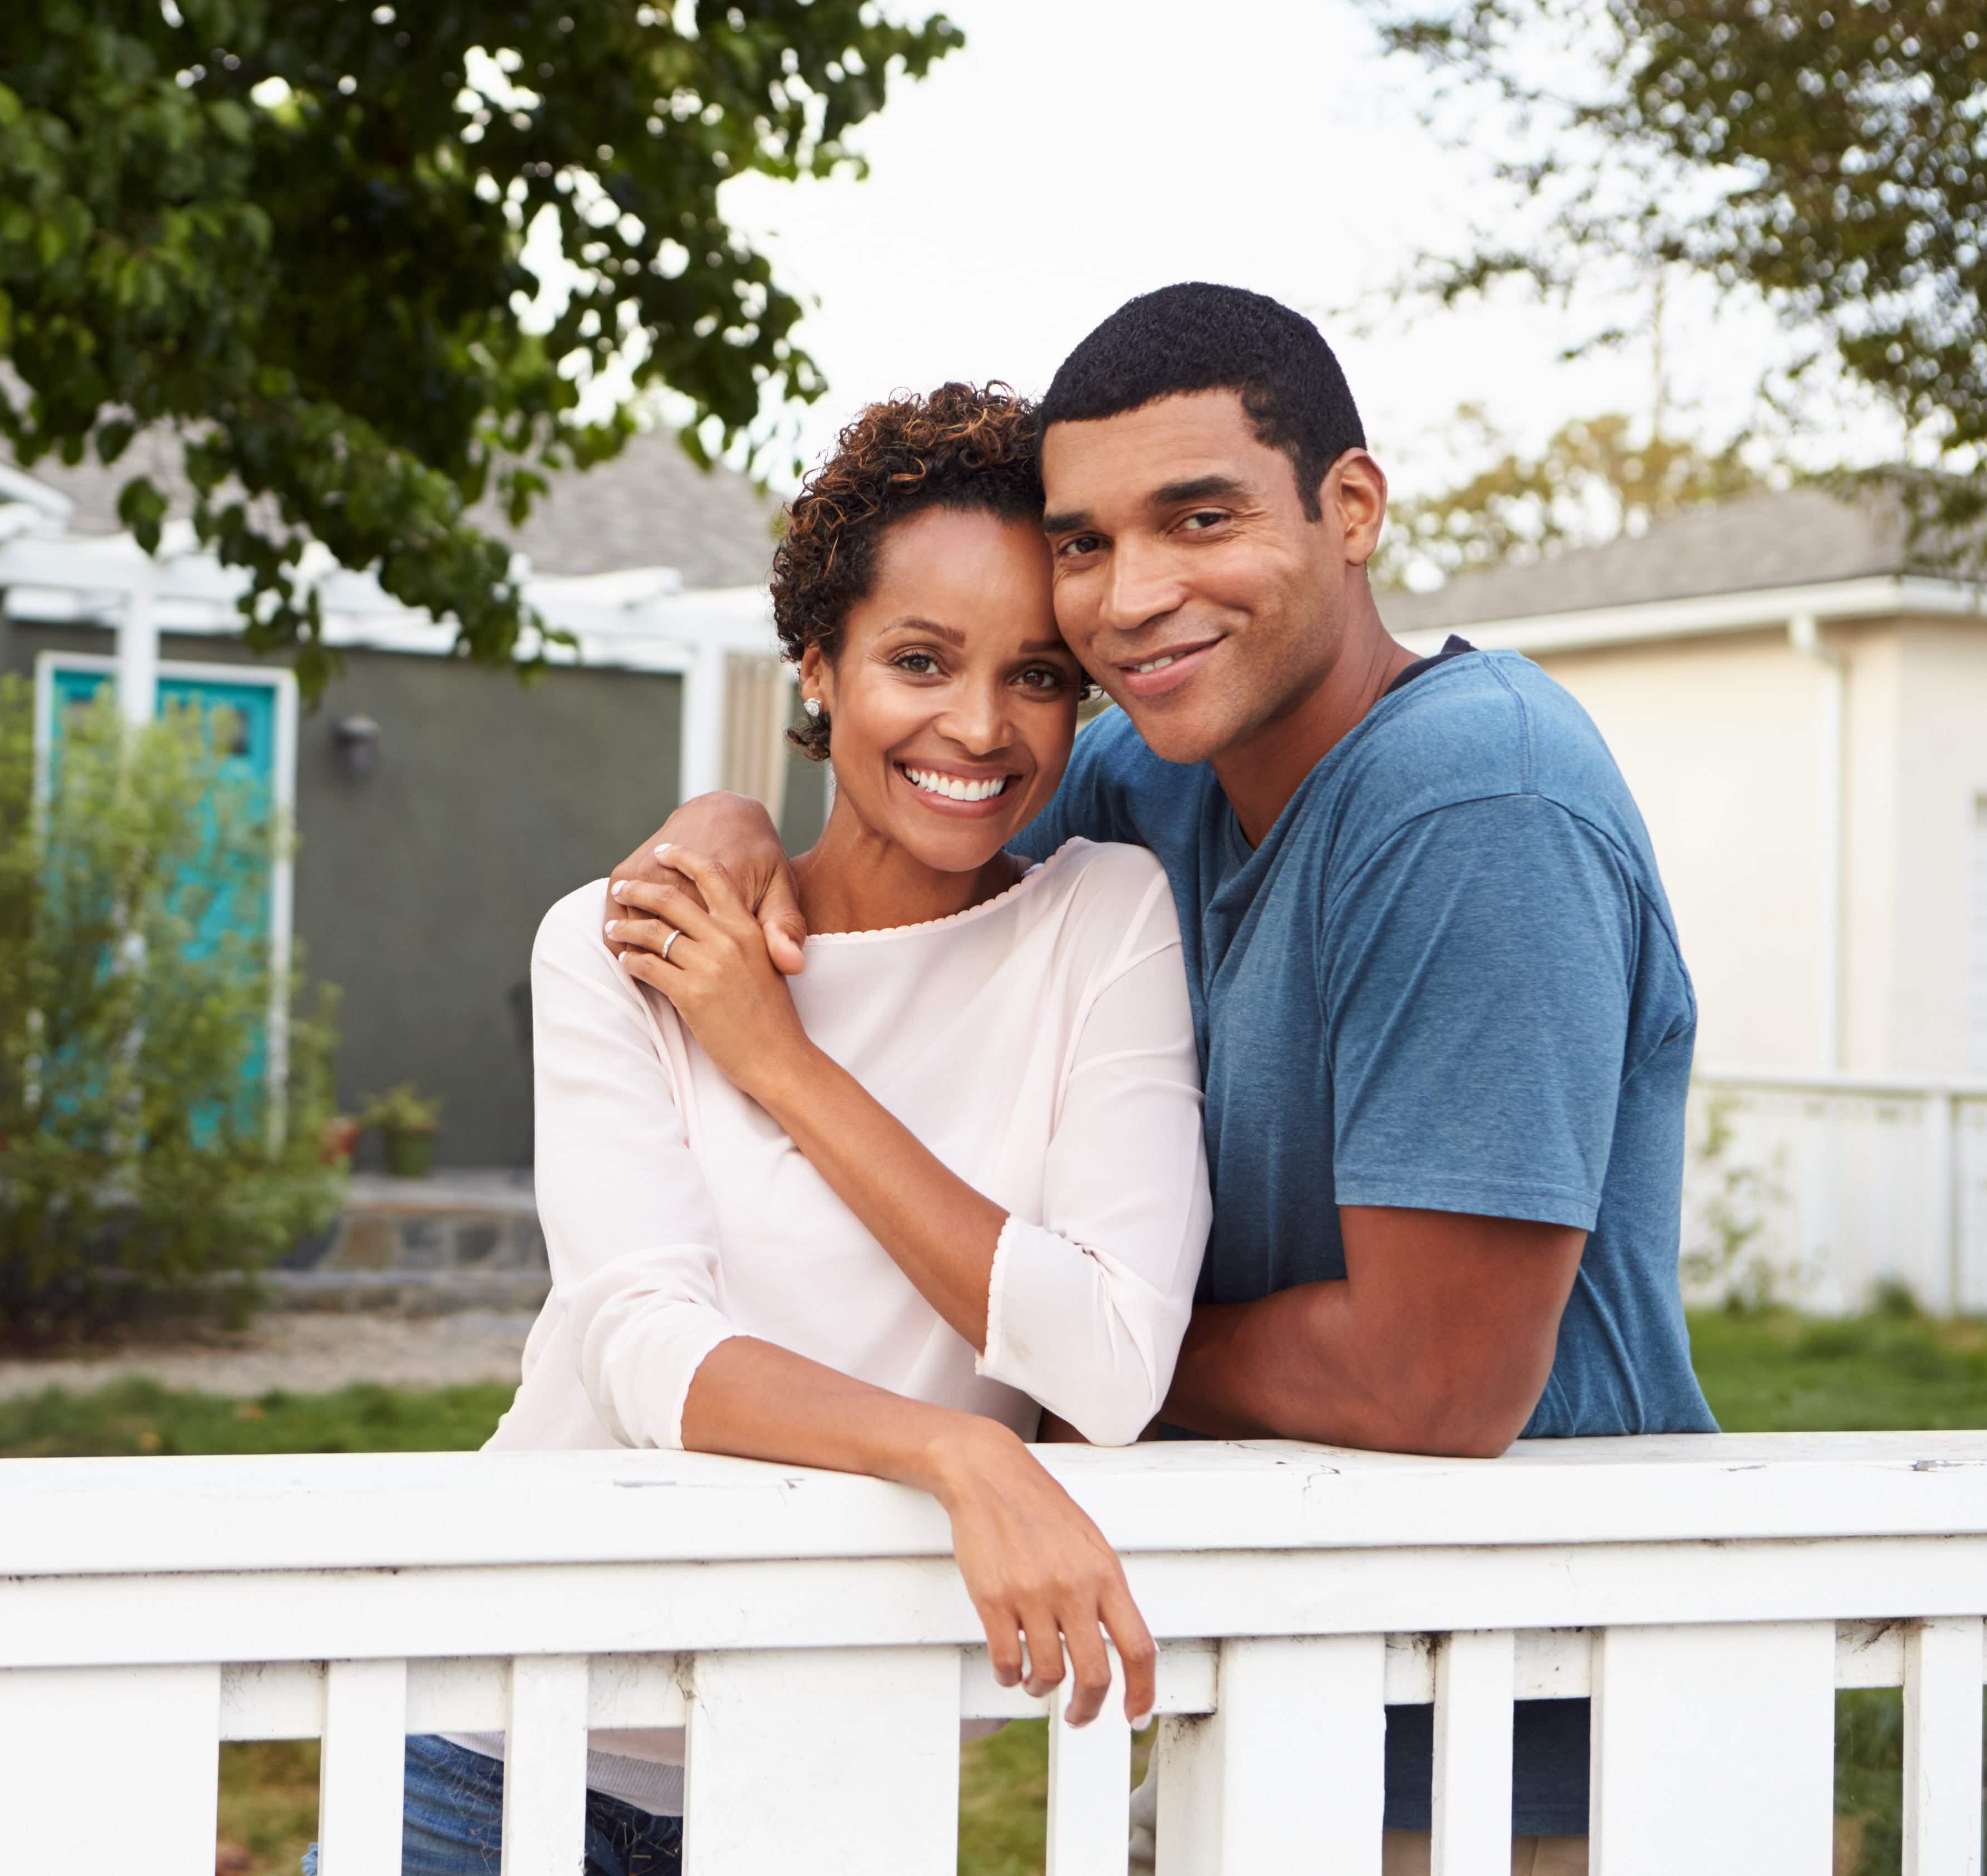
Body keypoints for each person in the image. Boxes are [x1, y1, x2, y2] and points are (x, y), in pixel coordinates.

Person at [616, 285, 1716, 1872]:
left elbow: (1437, 1385)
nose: (1133, 598)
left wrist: (1097, 1345)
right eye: (1087, 543)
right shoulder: (1154, 781)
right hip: (1265, 1647)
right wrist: (725, 831)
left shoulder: (1479, 800)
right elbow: (917, 806)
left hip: (1520, 1704)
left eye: (1200, 519)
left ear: (1352, 509)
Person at [310, 384, 1212, 1876]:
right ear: (819, 667)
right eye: (918, 660)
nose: (979, 728)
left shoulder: (1100, 924)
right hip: (497, 1744)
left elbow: (1111, 1365)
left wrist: (779, 1062)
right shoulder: (629, 944)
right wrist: (956, 1453)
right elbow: (642, 1347)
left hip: (835, 1766)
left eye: (1039, 676)